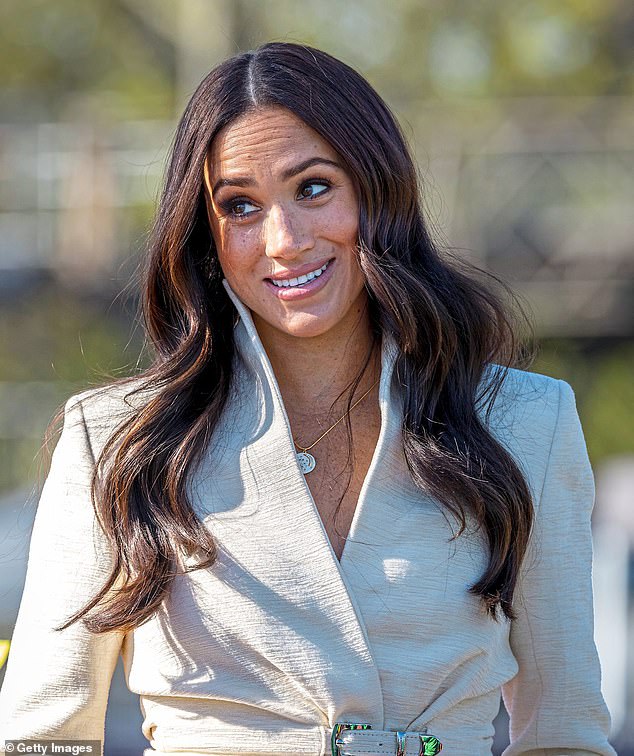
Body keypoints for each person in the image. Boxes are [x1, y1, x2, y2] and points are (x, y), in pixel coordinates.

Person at [0, 41, 616, 756]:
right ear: (206, 232)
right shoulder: (115, 440)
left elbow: (565, 733)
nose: (285, 241)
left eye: (314, 187)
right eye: (240, 205)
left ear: (377, 190)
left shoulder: (525, 424)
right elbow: (43, 739)